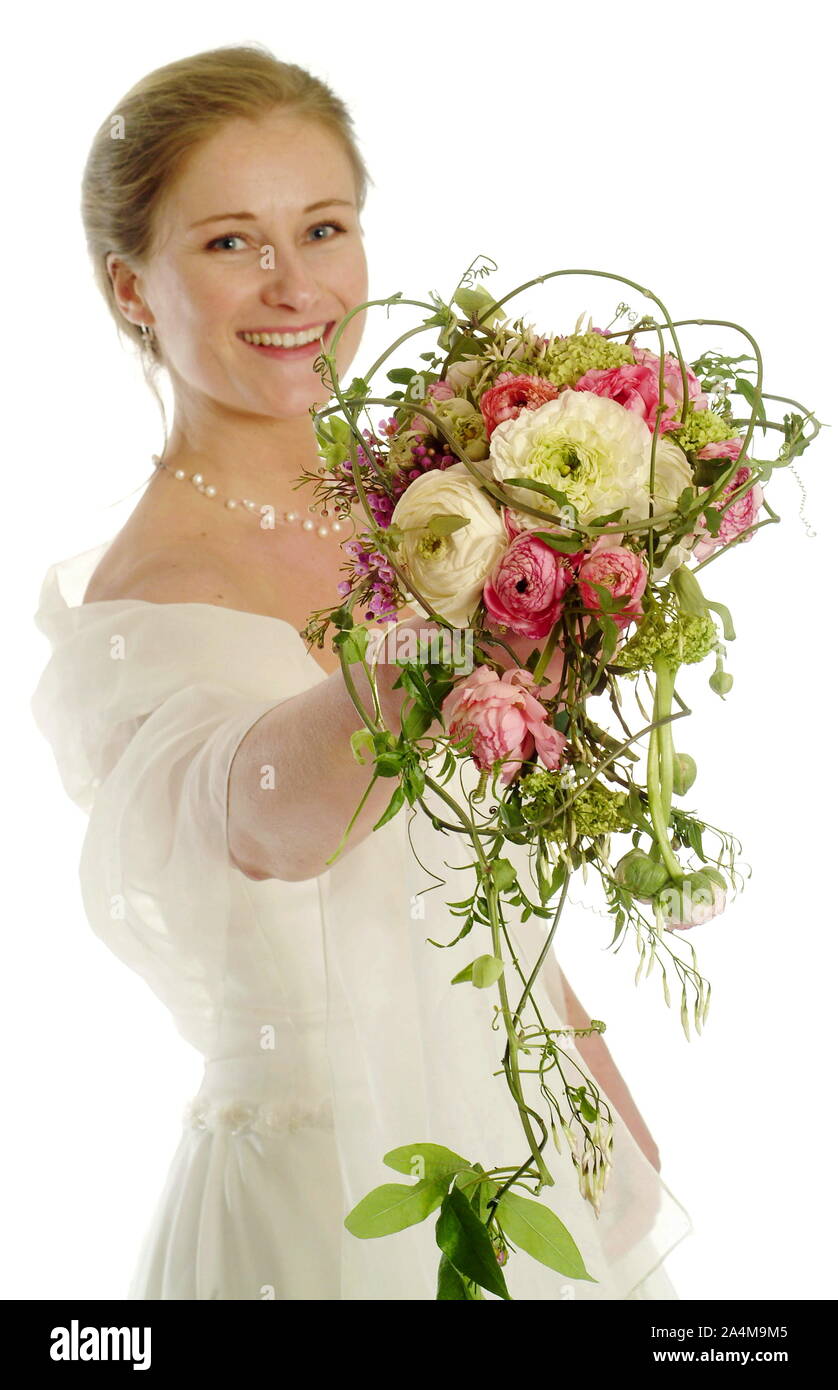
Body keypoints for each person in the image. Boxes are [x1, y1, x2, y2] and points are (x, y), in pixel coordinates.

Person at [30, 44, 692, 1300]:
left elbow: (470, 883)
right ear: (131, 287)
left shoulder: (421, 513)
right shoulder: (141, 594)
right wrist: (450, 639)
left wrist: (603, 1099)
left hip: (536, 1157)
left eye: (322, 227)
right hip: (323, 1202)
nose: (296, 285)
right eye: (231, 242)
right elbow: (266, 816)